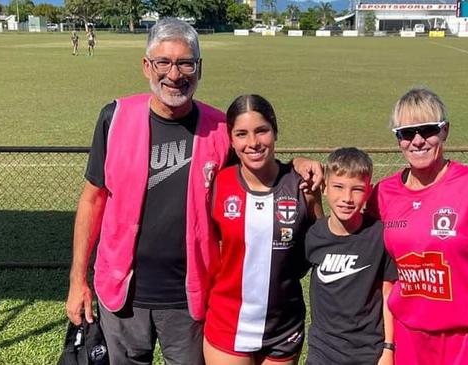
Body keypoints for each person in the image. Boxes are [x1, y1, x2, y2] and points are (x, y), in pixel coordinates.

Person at [65, 18, 322, 365]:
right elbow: (92, 200)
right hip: (121, 295)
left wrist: (297, 164)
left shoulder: (219, 128)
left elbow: (257, 162)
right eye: (164, 62)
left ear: (199, 69)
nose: (174, 74)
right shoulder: (115, 117)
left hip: (190, 300)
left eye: (186, 63)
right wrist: (78, 280)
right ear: (146, 66)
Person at [368, 87, 468, 365]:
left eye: (427, 130)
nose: (417, 141)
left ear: (445, 131)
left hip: (466, 340)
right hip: (408, 339)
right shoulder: (383, 193)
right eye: (406, 133)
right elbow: (351, 236)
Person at [203, 94, 323, 365]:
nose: (253, 143)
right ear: (231, 140)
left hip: (283, 328)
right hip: (228, 324)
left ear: (275, 131)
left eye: (262, 131)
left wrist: (300, 163)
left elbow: (321, 245)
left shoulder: (300, 185)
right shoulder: (218, 185)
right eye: (242, 134)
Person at [305, 147, 397, 365]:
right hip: (322, 353)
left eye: (357, 189)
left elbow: (388, 295)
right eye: (338, 187)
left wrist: (388, 349)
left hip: (368, 353)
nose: (347, 198)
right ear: (325, 187)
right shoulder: (312, 234)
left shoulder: (378, 235)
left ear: (368, 190)